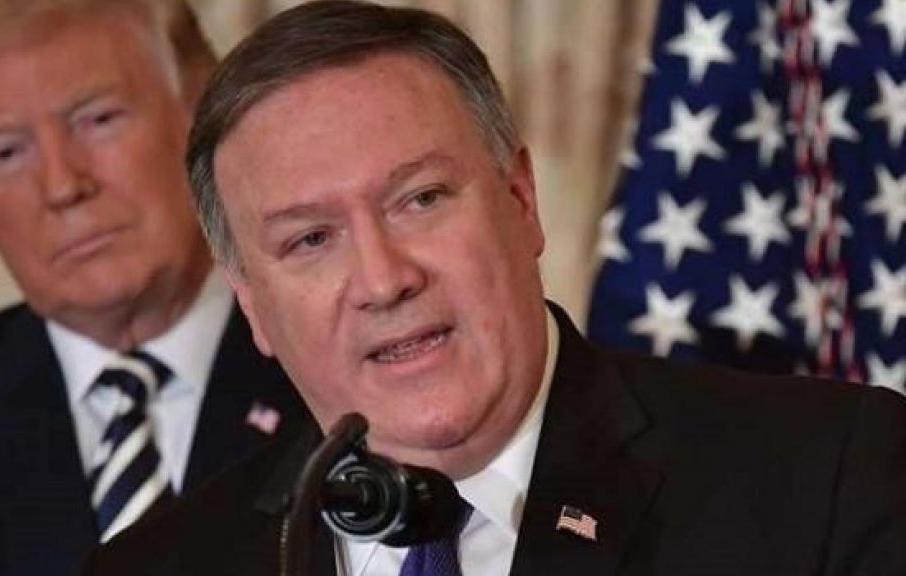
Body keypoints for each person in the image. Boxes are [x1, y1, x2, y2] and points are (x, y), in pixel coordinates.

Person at [85, 1, 906, 575]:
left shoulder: (824, 480)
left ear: (521, 201)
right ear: (252, 304)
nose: (383, 280)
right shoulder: (158, 567)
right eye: (310, 240)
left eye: (421, 200)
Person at [0, 1, 308, 575]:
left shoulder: (341, 358)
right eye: (5, 152)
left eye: (97, 119)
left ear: (199, 117)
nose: (62, 185)